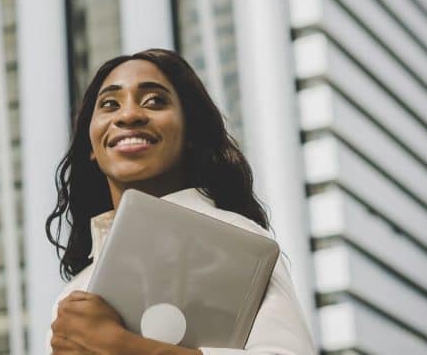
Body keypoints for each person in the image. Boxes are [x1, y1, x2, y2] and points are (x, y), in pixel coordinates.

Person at [45, 49, 315, 354]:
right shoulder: (72, 295)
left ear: (190, 134)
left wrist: (121, 346)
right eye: (109, 104)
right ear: (91, 145)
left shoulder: (239, 243)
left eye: (155, 101)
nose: (129, 114)